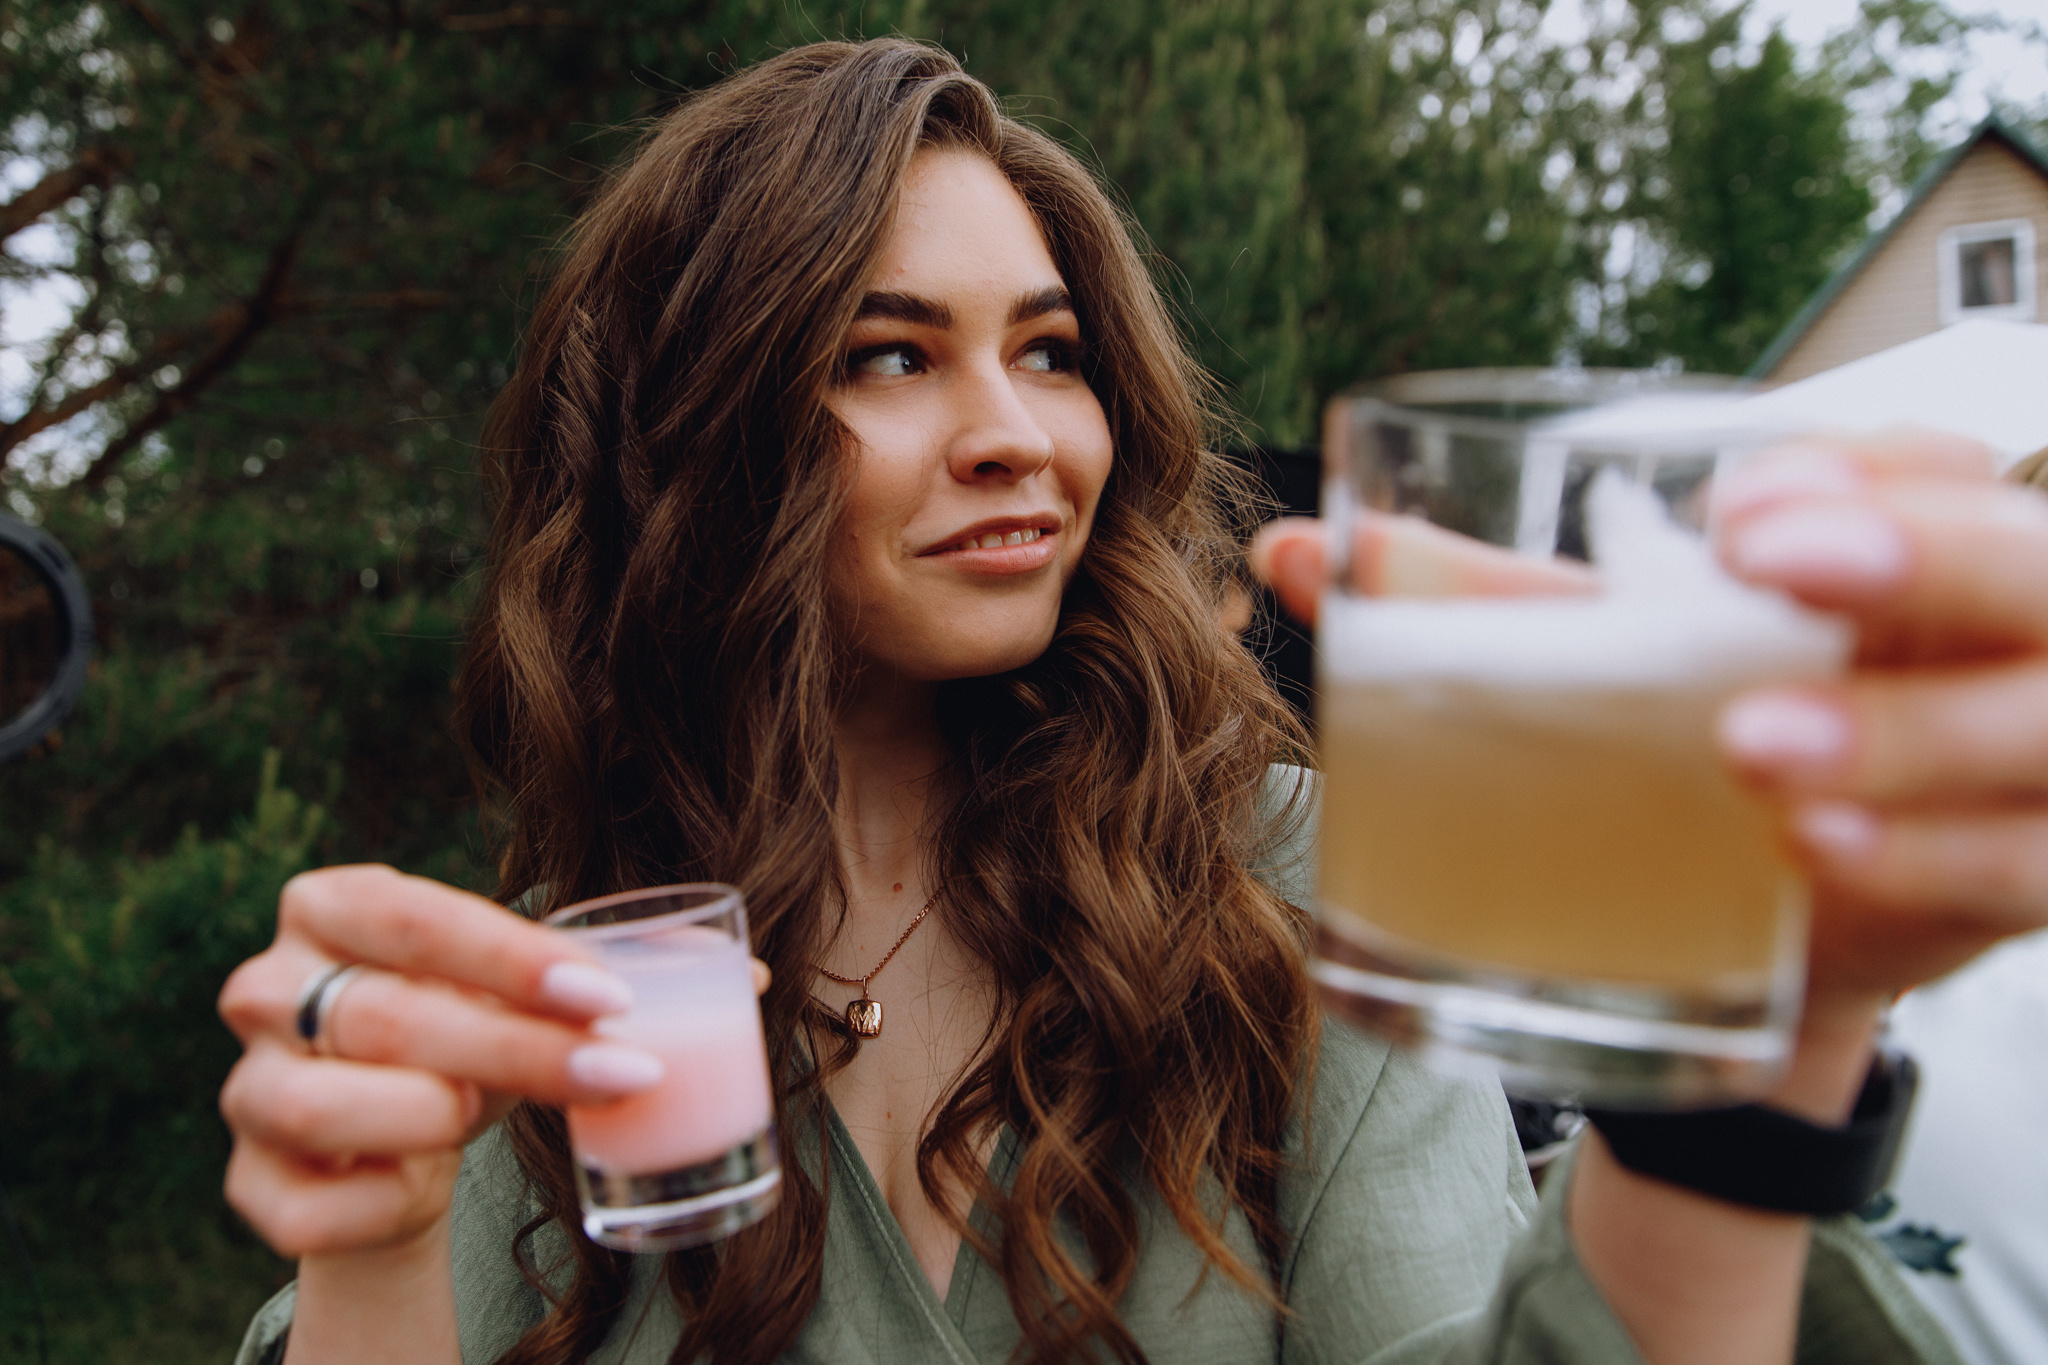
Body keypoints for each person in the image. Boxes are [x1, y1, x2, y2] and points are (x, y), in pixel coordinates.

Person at [217, 39, 2048, 1365]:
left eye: (1053, 351)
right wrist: (373, 1246)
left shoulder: (1291, 884)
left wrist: (1751, 1050)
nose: (1020, 432)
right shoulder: (559, 1000)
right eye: (889, 355)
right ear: (690, 437)